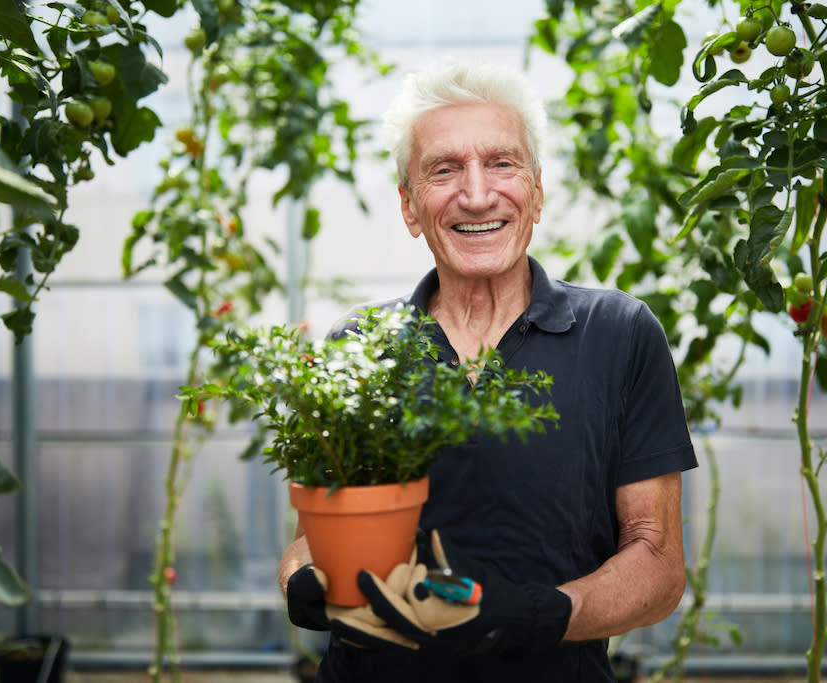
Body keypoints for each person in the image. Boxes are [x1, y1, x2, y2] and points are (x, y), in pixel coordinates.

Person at [277, 58, 698, 682]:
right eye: (444, 170)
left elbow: (658, 566)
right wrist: (307, 584)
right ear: (410, 207)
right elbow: (317, 536)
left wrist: (535, 614)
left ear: (536, 191)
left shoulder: (619, 335)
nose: (476, 194)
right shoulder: (361, 347)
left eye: (501, 163)